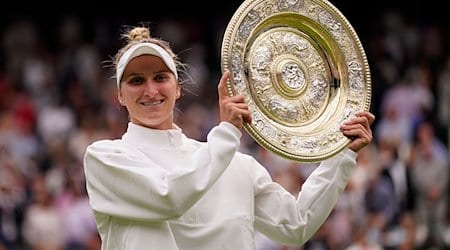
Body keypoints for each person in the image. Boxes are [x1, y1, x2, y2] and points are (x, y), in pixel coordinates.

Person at [83, 24, 375, 250]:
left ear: (178, 88)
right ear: (120, 95)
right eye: (136, 81)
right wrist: (226, 134)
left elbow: (296, 224)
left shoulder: (236, 164)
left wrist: (341, 154)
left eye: (160, 78)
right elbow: (168, 196)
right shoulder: (106, 158)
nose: (150, 91)